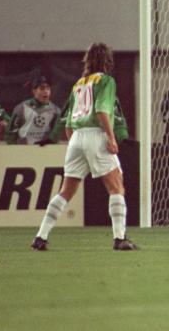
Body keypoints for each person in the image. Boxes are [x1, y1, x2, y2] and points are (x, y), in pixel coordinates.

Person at [32, 43, 137, 251]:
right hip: (95, 135)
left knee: (66, 190)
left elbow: (68, 123)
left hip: (76, 138)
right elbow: (101, 111)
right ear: (107, 61)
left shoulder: (79, 84)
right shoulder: (106, 81)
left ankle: (40, 236)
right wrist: (110, 137)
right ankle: (119, 238)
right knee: (116, 185)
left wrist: (75, 143)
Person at [7, 75, 62, 145]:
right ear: (34, 91)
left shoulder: (56, 110)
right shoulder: (22, 108)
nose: (46, 91)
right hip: (24, 149)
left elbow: (56, 135)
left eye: (48, 88)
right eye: (42, 88)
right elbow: (11, 132)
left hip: (45, 149)